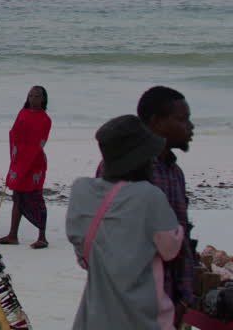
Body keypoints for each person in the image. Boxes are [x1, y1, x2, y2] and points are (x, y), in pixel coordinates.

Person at [67, 115, 183, 330]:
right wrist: (181, 230)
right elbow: (170, 249)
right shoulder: (149, 196)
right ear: (142, 159)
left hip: (94, 317)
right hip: (141, 318)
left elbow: (83, 256)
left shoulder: (81, 190)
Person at [138, 86, 198, 318]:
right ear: (157, 122)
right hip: (139, 304)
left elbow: (181, 235)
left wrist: (184, 296)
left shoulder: (174, 172)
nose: (190, 126)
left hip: (170, 299)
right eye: (183, 119)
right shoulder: (129, 170)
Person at [0, 86, 51, 249]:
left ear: (43, 99)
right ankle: (13, 234)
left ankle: (42, 237)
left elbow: (39, 142)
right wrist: (16, 157)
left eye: (37, 96)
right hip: (19, 159)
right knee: (17, 197)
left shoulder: (45, 119)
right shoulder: (22, 113)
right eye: (30, 95)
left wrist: (26, 158)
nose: (33, 99)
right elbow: (14, 133)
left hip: (35, 162)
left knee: (36, 197)